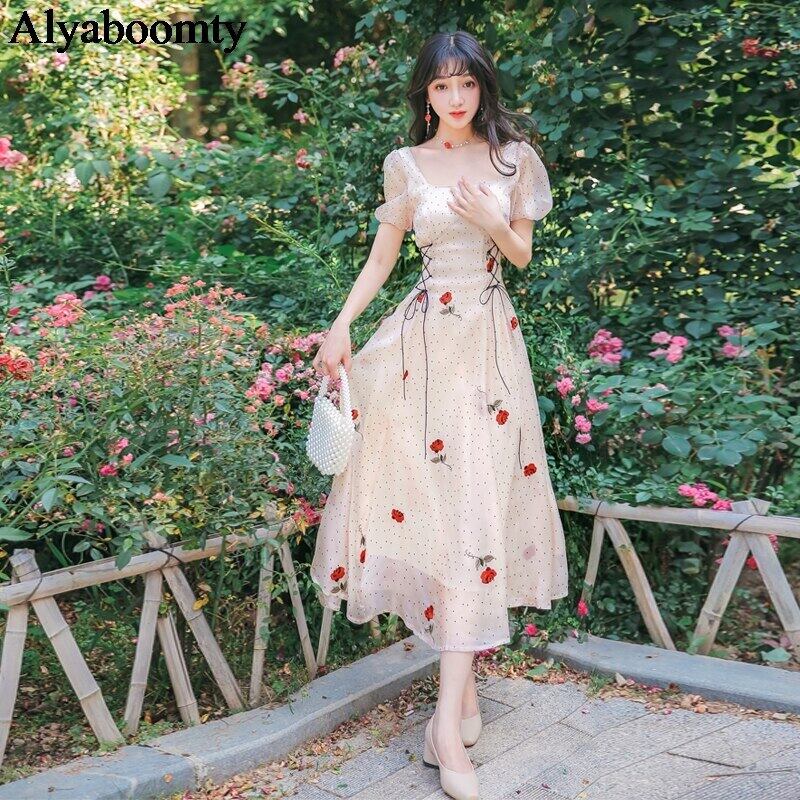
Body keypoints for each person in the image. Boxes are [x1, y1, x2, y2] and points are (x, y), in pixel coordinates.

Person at [309, 29, 569, 800]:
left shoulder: (513, 159)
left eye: (467, 84)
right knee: (445, 518)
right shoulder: (405, 164)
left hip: (486, 355)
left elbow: (520, 256)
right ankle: (457, 712)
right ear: (425, 94)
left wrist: (490, 217)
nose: (455, 98)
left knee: (475, 517)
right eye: (441, 86)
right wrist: (341, 325)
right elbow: (383, 257)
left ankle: (445, 727)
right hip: (420, 351)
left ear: (483, 87)